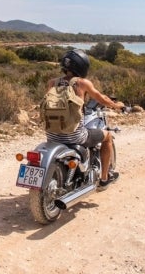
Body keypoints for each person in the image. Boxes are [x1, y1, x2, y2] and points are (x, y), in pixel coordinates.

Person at [45, 49, 125, 188]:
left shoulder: (52, 83)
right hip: (75, 136)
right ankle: (104, 179)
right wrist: (116, 105)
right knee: (108, 137)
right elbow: (102, 99)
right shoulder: (83, 83)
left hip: (52, 135)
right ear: (82, 66)